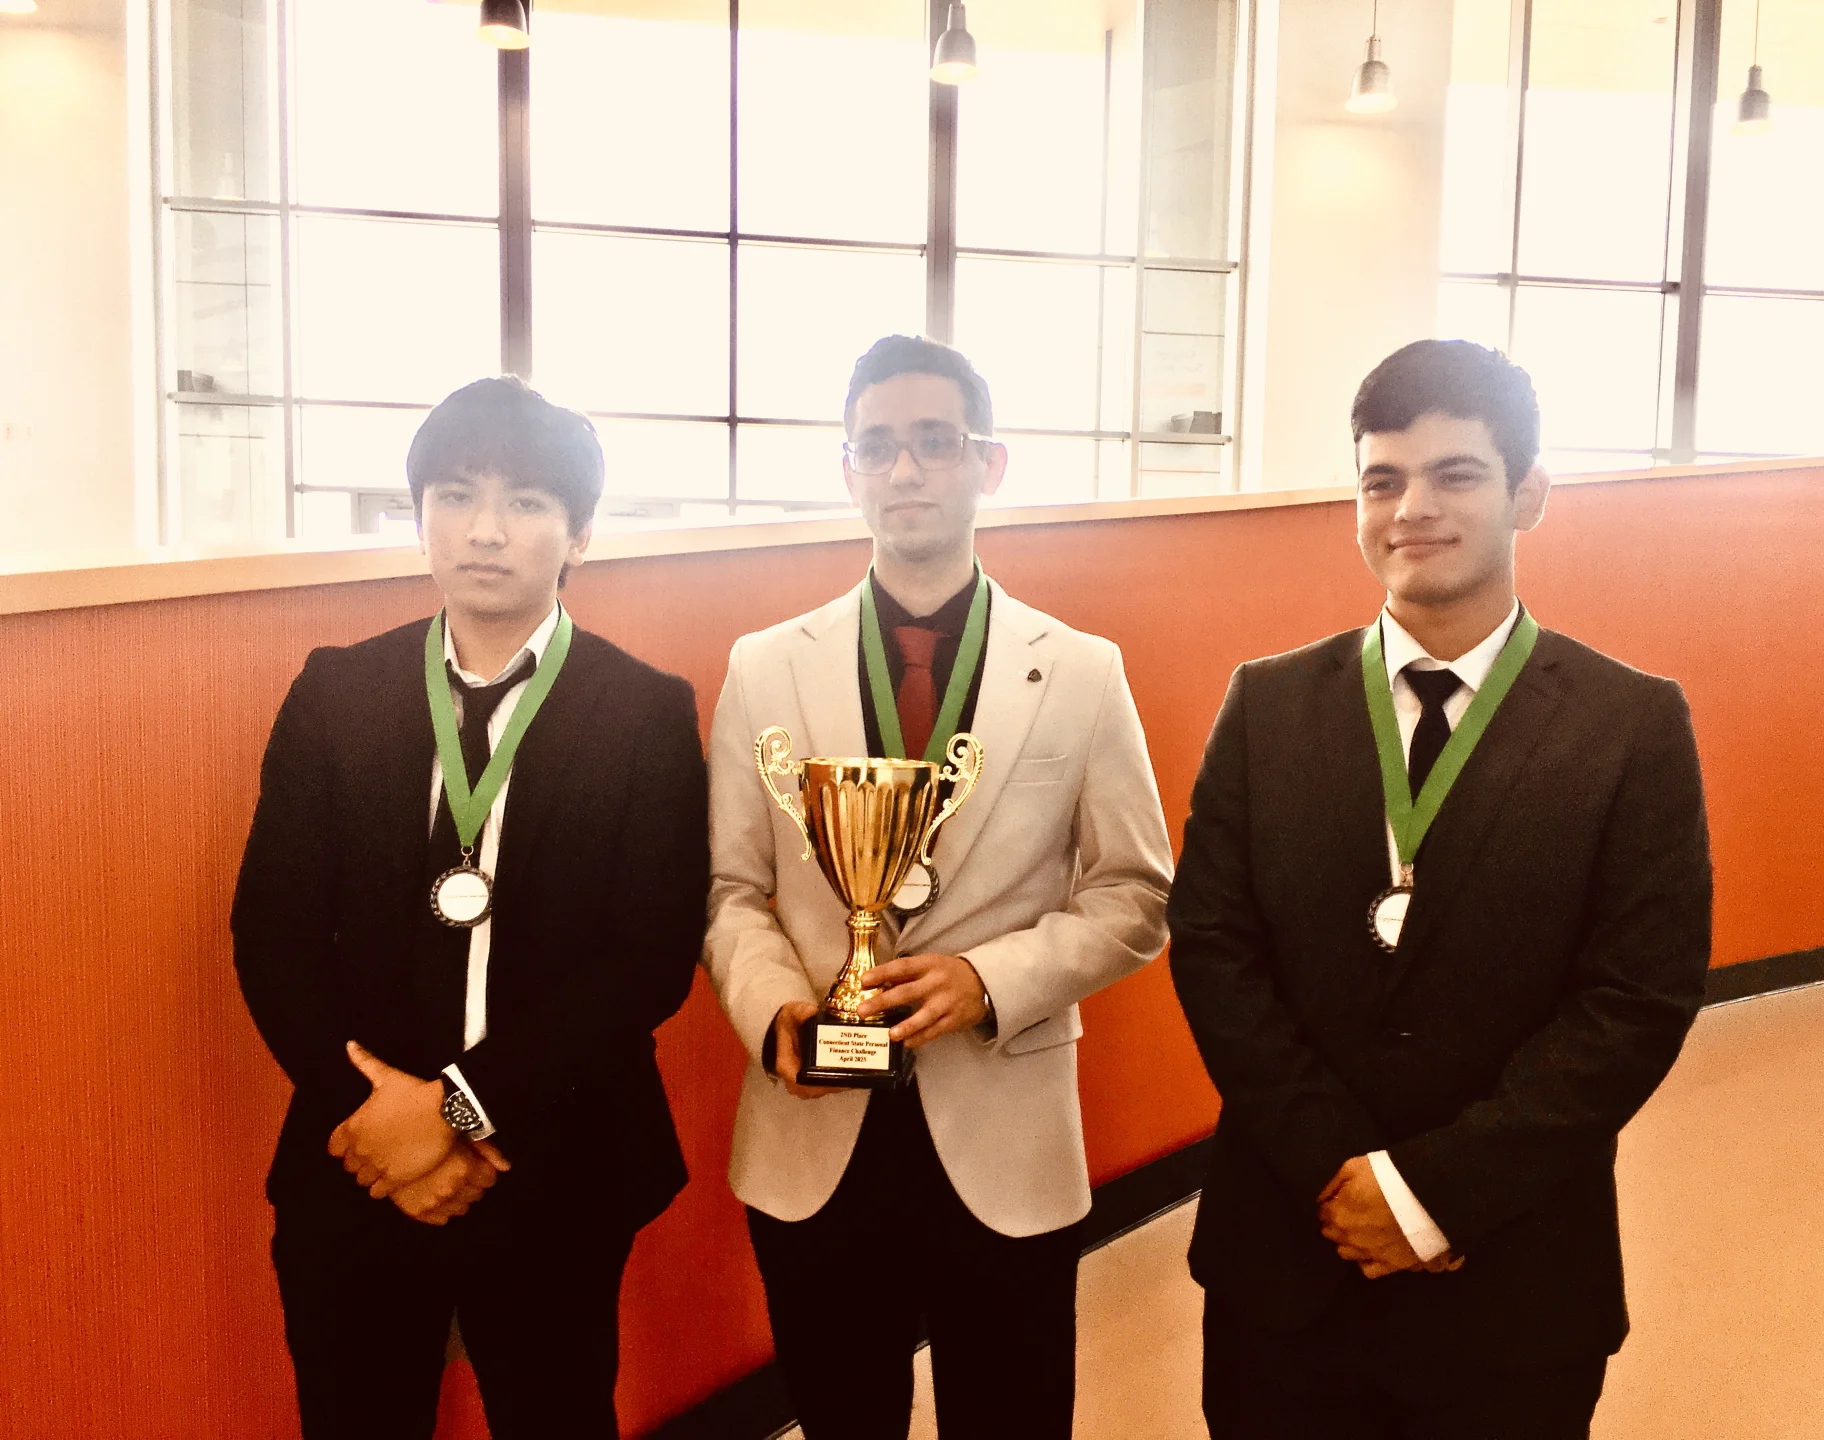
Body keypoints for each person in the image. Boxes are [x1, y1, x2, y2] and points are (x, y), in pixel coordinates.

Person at [1168, 339, 1714, 1439]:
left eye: (1455, 475)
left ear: (1529, 495)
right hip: (1288, 1263)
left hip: (1512, 1277)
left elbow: (1635, 999)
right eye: (1382, 481)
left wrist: (1436, 1194)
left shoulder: (1630, 724)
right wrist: (1340, 1172)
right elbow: (1215, 950)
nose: (1411, 508)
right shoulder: (1267, 705)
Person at [703, 334, 1173, 1440]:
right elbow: (730, 890)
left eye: (934, 442)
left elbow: (1136, 892)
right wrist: (778, 1015)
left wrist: (988, 979)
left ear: (988, 463)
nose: (905, 469)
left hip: (1006, 1119)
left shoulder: (1082, 669)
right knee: (841, 1418)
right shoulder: (764, 666)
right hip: (814, 1127)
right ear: (848, 472)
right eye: (877, 447)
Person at [231, 376, 708, 1440]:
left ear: (580, 533)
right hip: (357, 1155)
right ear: (419, 515)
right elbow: (273, 936)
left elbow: (649, 957)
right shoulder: (337, 692)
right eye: (455, 495)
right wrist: (380, 1123)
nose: (485, 530)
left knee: (556, 1415)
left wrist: (450, 1113)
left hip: (556, 1158)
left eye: (526, 502)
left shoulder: (643, 711)